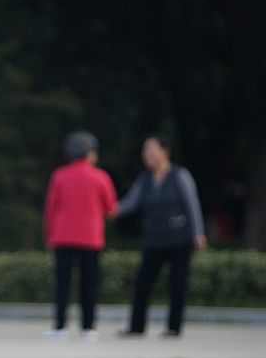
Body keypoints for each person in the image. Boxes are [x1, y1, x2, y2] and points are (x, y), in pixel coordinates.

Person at [116, 134, 206, 337]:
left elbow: (192, 205)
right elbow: (131, 202)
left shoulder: (179, 175)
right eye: (144, 151)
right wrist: (111, 209)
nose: (146, 155)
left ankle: (174, 327)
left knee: (177, 283)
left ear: (164, 152)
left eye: (150, 150)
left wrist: (198, 232)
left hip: (179, 239)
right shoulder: (145, 179)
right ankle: (136, 327)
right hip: (154, 239)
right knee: (143, 282)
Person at [43, 131, 118, 341]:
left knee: (62, 283)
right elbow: (111, 209)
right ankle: (88, 327)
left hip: (62, 236)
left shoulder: (59, 175)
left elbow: (51, 209)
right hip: (91, 238)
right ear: (90, 154)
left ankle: (59, 327)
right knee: (89, 283)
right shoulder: (101, 177)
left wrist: (49, 235)